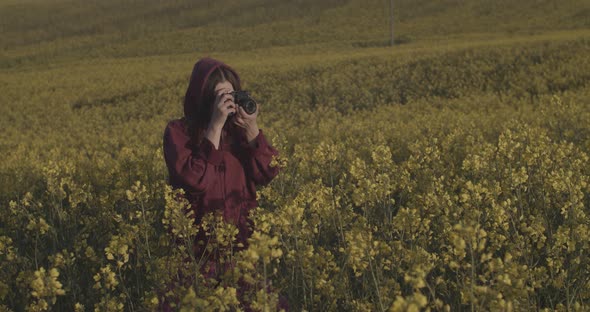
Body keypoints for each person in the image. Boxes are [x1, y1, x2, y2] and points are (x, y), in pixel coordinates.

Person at [162, 57, 280, 306]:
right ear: (203, 98)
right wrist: (214, 127)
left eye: (231, 95)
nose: (228, 103)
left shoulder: (238, 132)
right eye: (220, 96)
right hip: (197, 252)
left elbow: (268, 173)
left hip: (242, 247)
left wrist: (252, 129)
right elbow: (195, 180)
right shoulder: (178, 132)